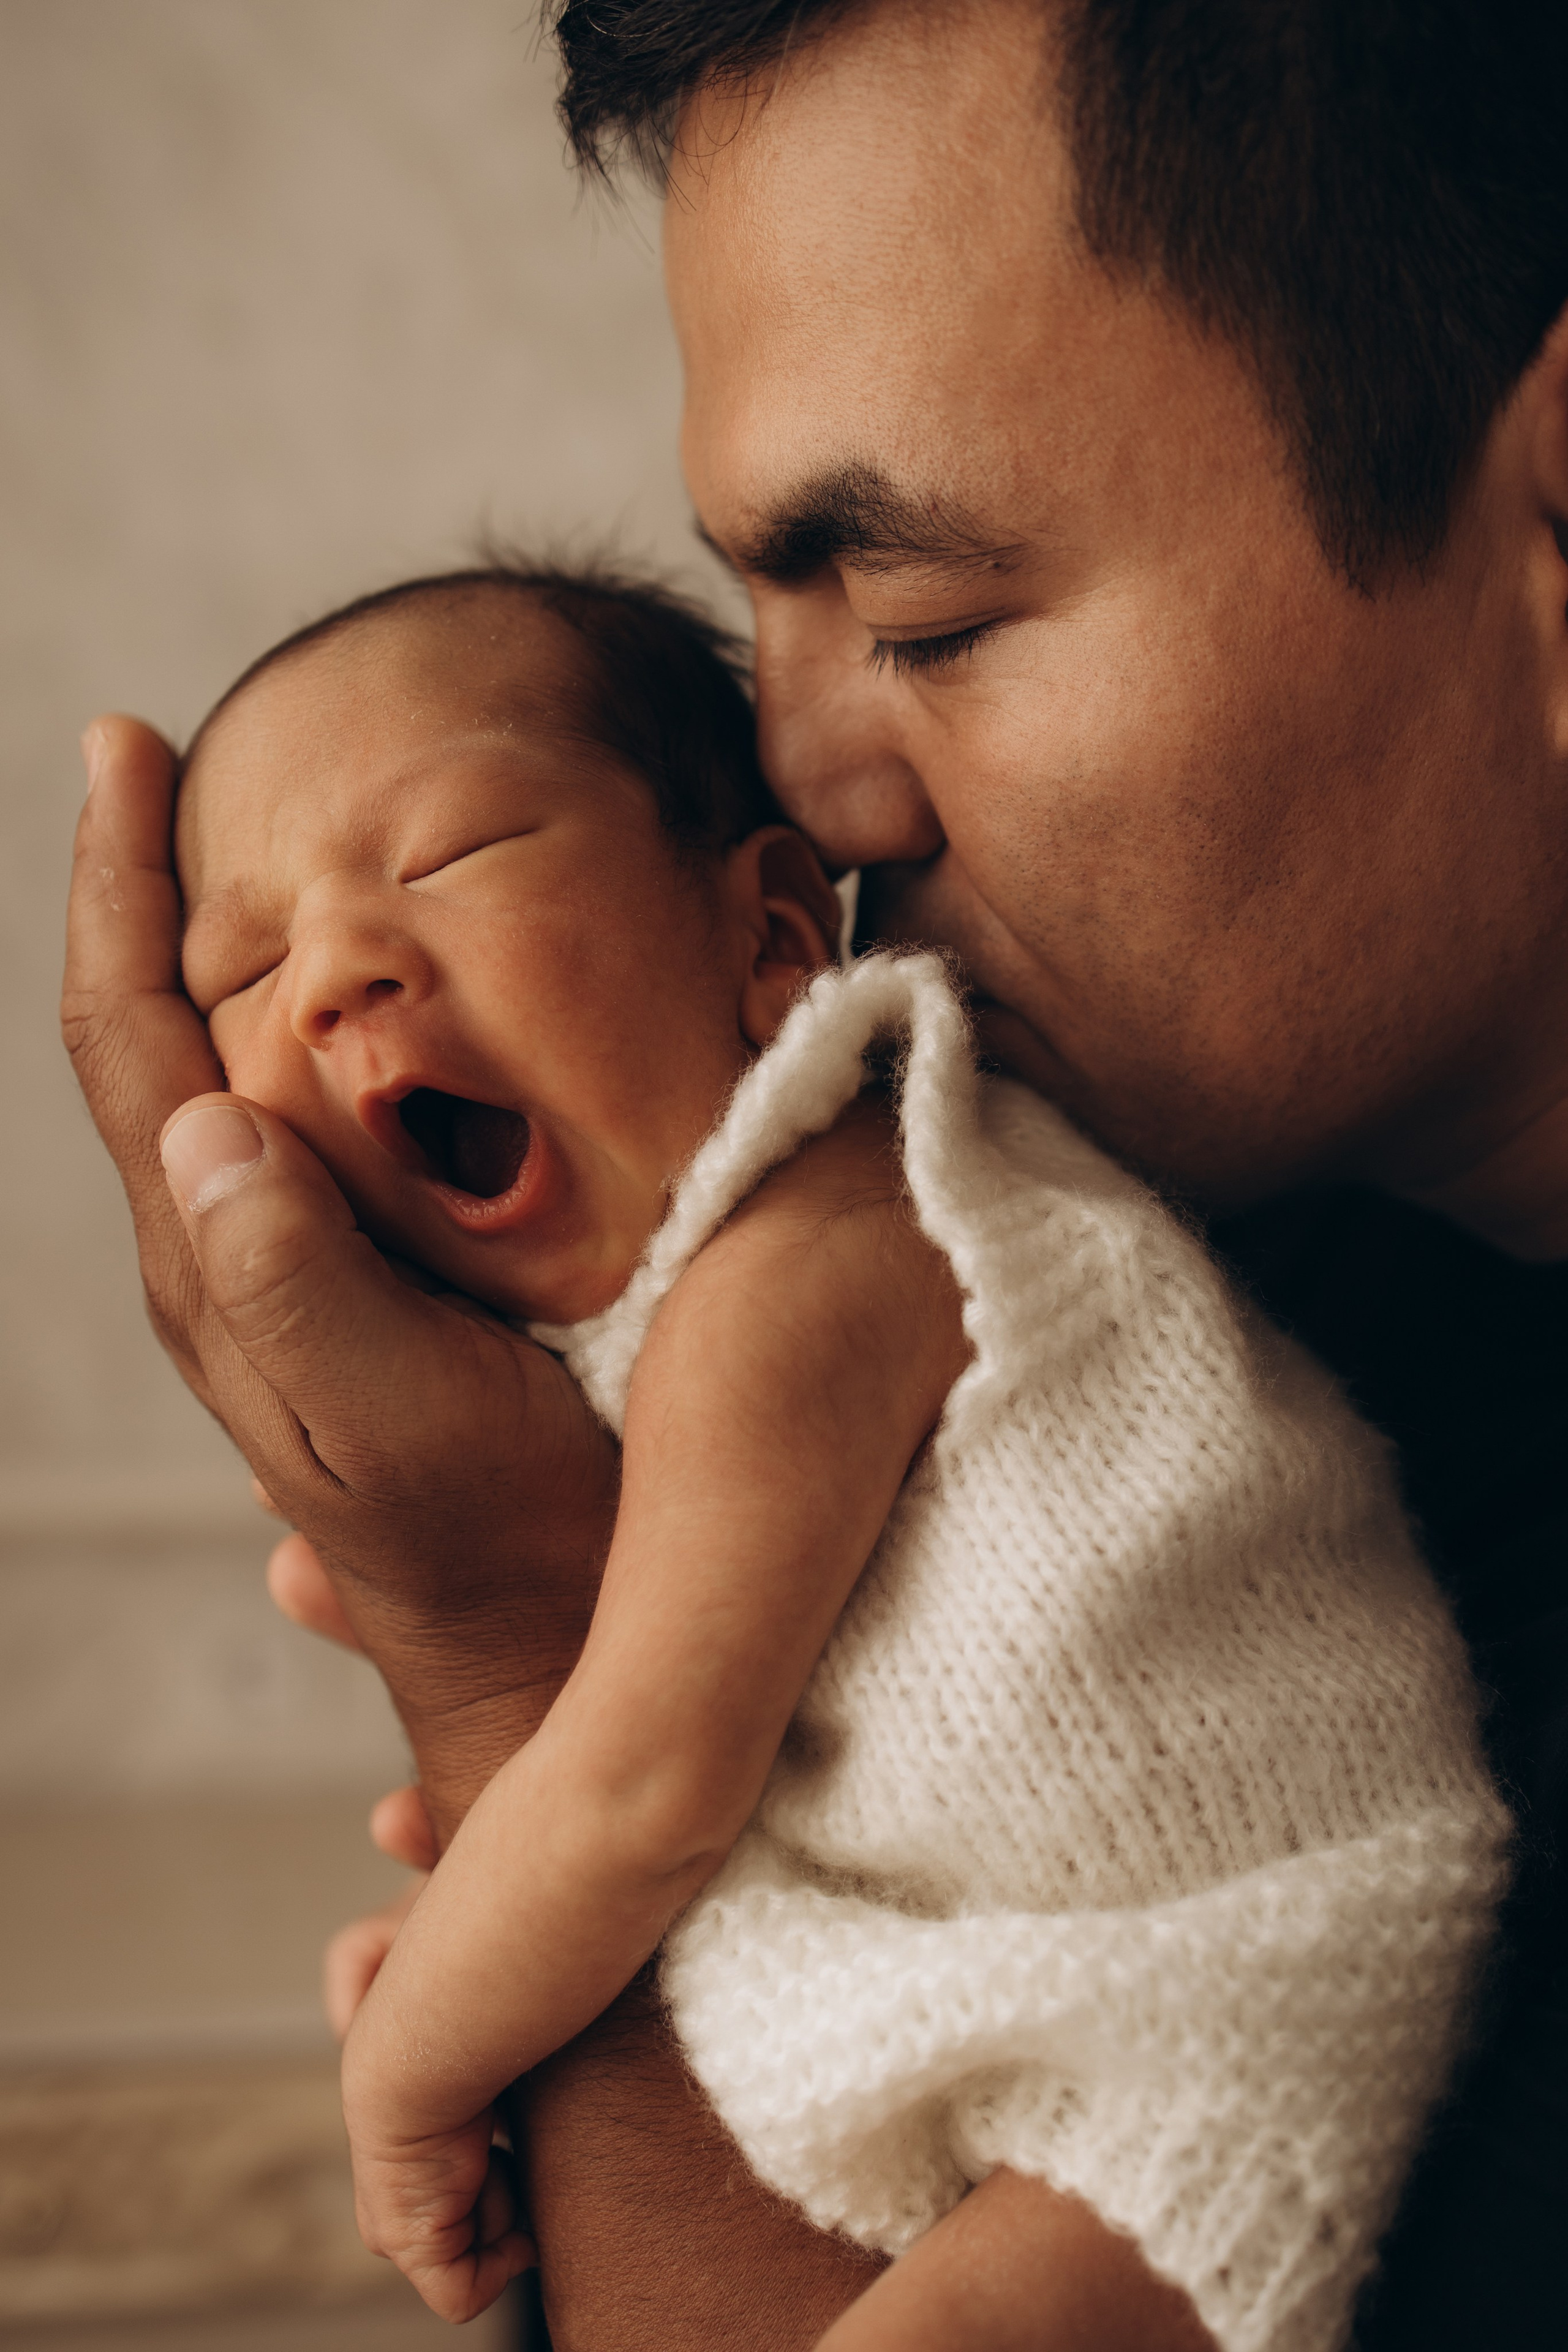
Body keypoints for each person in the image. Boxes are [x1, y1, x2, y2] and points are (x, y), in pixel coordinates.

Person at [62, 2, 1568, 2344]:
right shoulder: (1225, 1278)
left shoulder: (917, 1245)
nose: (816, 796)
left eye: (926, 623)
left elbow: (645, 1778)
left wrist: (498, 1687)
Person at [172, 560, 1506, 2348]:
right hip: (1034, 1956)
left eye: (451, 857)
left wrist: (418, 2067)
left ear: (773, 938)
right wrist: (489, 1944)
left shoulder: (811, 1256)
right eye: (241, 971)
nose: (335, 972)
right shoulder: (648, 1335)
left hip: (1232, 1985)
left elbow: (643, 1791)